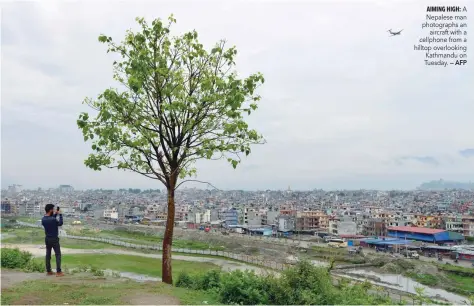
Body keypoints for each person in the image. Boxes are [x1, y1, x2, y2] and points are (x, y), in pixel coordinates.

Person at [41, 204, 64, 276]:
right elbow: (60, 223)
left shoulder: (43, 219)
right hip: (54, 239)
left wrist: (55, 214)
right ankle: (58, 272)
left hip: (47, 239)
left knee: (48, 255)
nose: (54, 210)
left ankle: (48, 271)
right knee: (58, 254)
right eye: (53, 209)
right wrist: (60, 215)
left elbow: (50, 219)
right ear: (50, 210)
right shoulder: (53, 219)